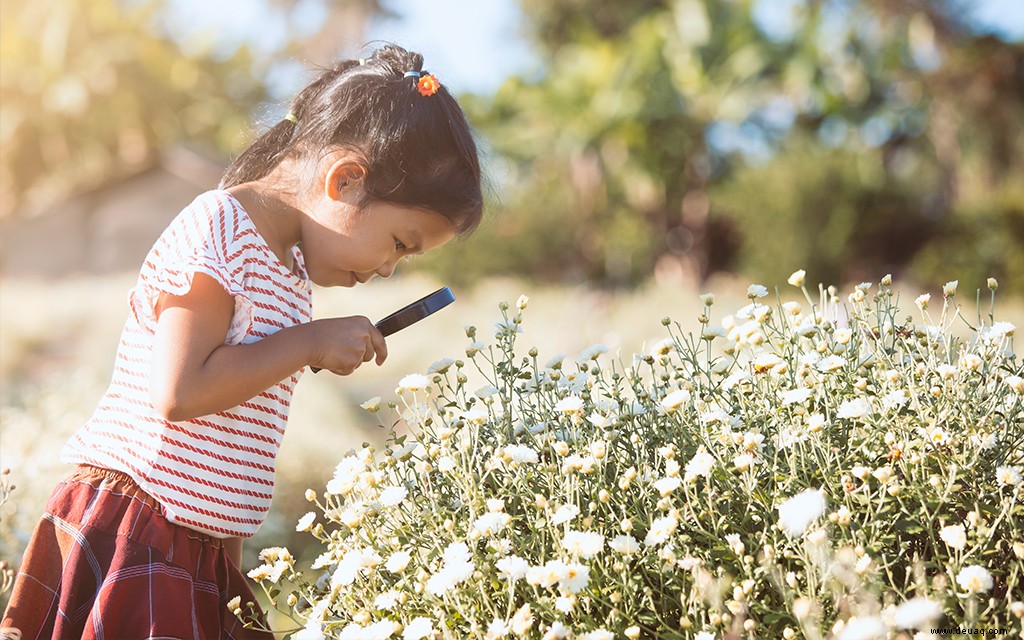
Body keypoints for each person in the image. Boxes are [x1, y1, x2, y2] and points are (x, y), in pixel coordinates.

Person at [1, 43, 483, 638]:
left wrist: (226, 567)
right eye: (400, 243)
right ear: (346, 178)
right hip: (135, 524)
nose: (390, 268)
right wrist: (307, 343)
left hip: (200, 544)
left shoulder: (291, 272)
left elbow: (231, 450)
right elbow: (179, 391)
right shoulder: (219, 227)